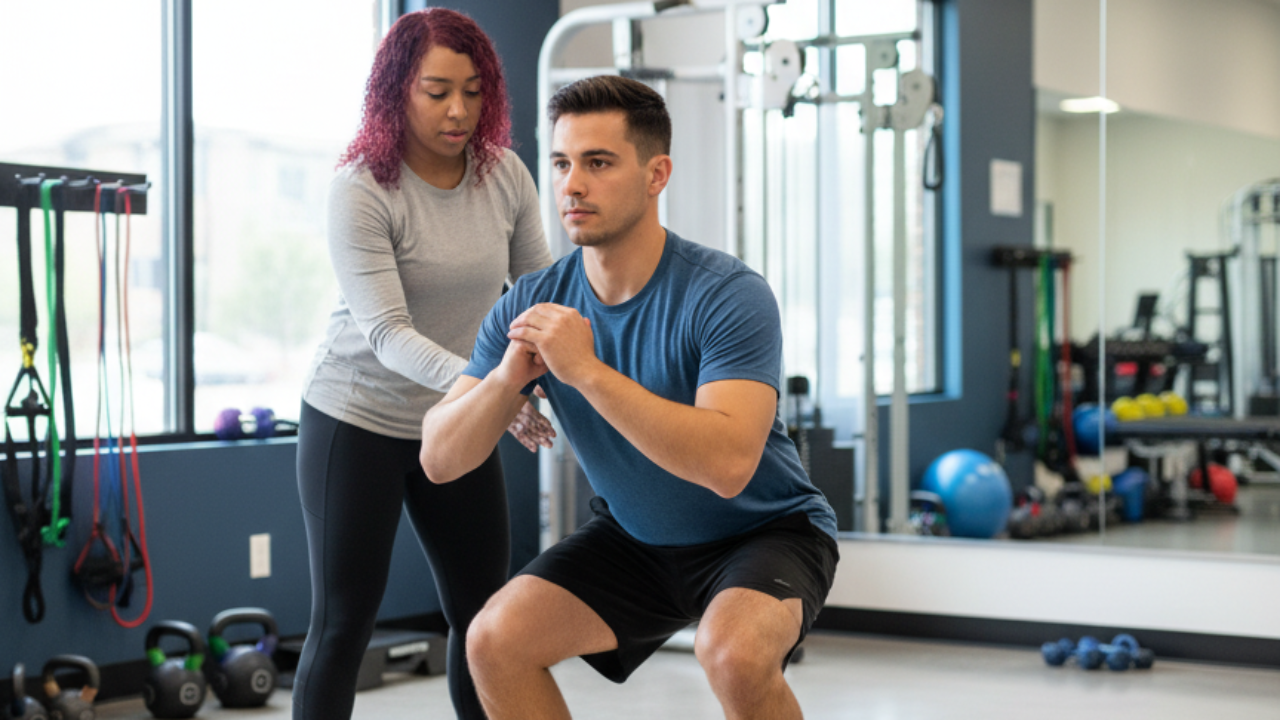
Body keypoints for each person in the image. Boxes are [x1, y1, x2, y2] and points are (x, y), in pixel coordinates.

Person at [420, 75, 839, 720]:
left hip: (764, 532)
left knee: (732, 654)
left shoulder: (726, 294)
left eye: (598, 163)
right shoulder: (532, 303)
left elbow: (728, 465)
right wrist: (506, 380)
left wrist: (586, 371)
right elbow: (440, 459)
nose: (572, 185)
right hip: (636, 538)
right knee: (494, 641)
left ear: (656, 174)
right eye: (561, 163)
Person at [293, 9, 554, 720]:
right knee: (343, 623)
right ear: (396, 92)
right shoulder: (361, 188)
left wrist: (562, 376)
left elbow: (540, 293)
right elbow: (387, 332)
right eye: (437, 92)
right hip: (358, 418)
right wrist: (494, 388)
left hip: (457, 419)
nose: (458, 110)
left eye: (472, 91)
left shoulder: (504, 176)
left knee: (482, 619)